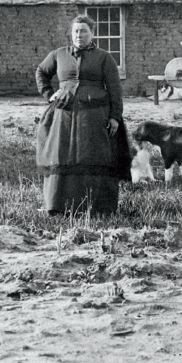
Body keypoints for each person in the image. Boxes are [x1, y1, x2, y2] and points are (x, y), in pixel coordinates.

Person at [35, 14, 129, 216]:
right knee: (62, 155)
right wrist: (49, 95)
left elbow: (115, 89)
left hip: (95, 117)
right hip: (64, 116)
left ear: (92, 33)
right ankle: (58, 205)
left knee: (93, 155)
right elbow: (41, 72)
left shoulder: (104, 57)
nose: (79, 35)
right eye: (76, 31)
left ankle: (98, 208)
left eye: (84, 31)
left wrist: (114, 116)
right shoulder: (59, 54)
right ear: (71, 34)